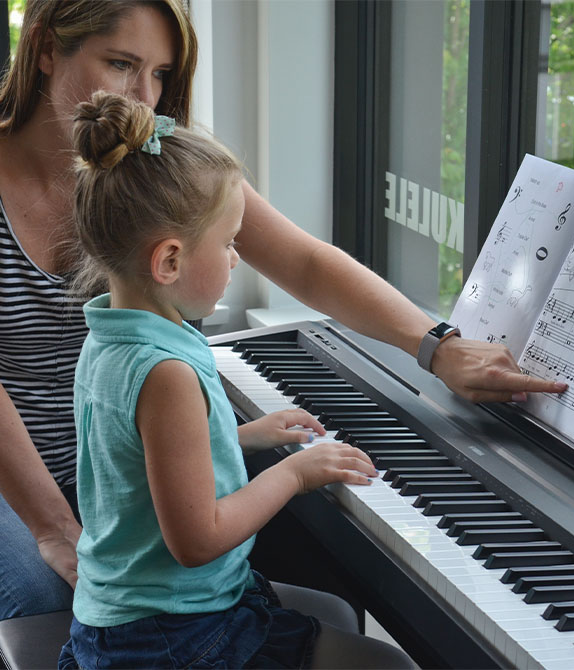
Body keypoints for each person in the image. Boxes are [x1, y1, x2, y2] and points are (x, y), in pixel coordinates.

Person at [0, 0, 567, 622]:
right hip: (24, 477)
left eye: (161, 74)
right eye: (121, 63)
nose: (145, 96)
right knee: (45, 600)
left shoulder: (157, 164)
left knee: (302, 549)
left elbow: (303, 263)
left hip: (123, 450)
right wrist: (53, 524)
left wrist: (436, 345)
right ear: (47, 47)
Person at [56, 89, 416, 669]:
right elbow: (197, 540)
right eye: (227, 244)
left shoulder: (111, 332)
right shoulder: (165, 370)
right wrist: (295, 474)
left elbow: (141, 454)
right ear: (169, 261)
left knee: (340, 615)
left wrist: (242, 435)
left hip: (130, 613)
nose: (236, 259)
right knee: (391, 663)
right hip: (170, 637)